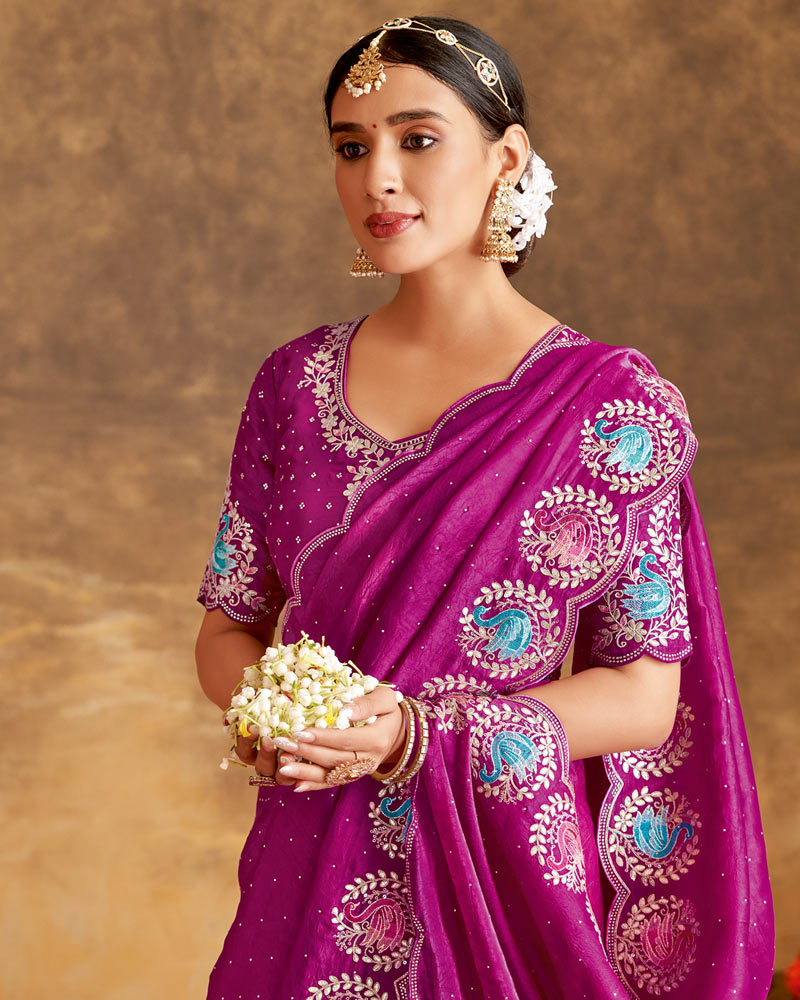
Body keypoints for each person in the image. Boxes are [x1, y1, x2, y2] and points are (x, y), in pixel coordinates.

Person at [194, 15, 774, 999]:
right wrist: (280, 711)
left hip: (498, 889)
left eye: (417, 139)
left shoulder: (607, 406)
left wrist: (413, 735)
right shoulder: (290, 387)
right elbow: (227, 629)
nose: (378, 178)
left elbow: (643, 699)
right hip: (306, 863)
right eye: (351, 147)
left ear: (506, 158)